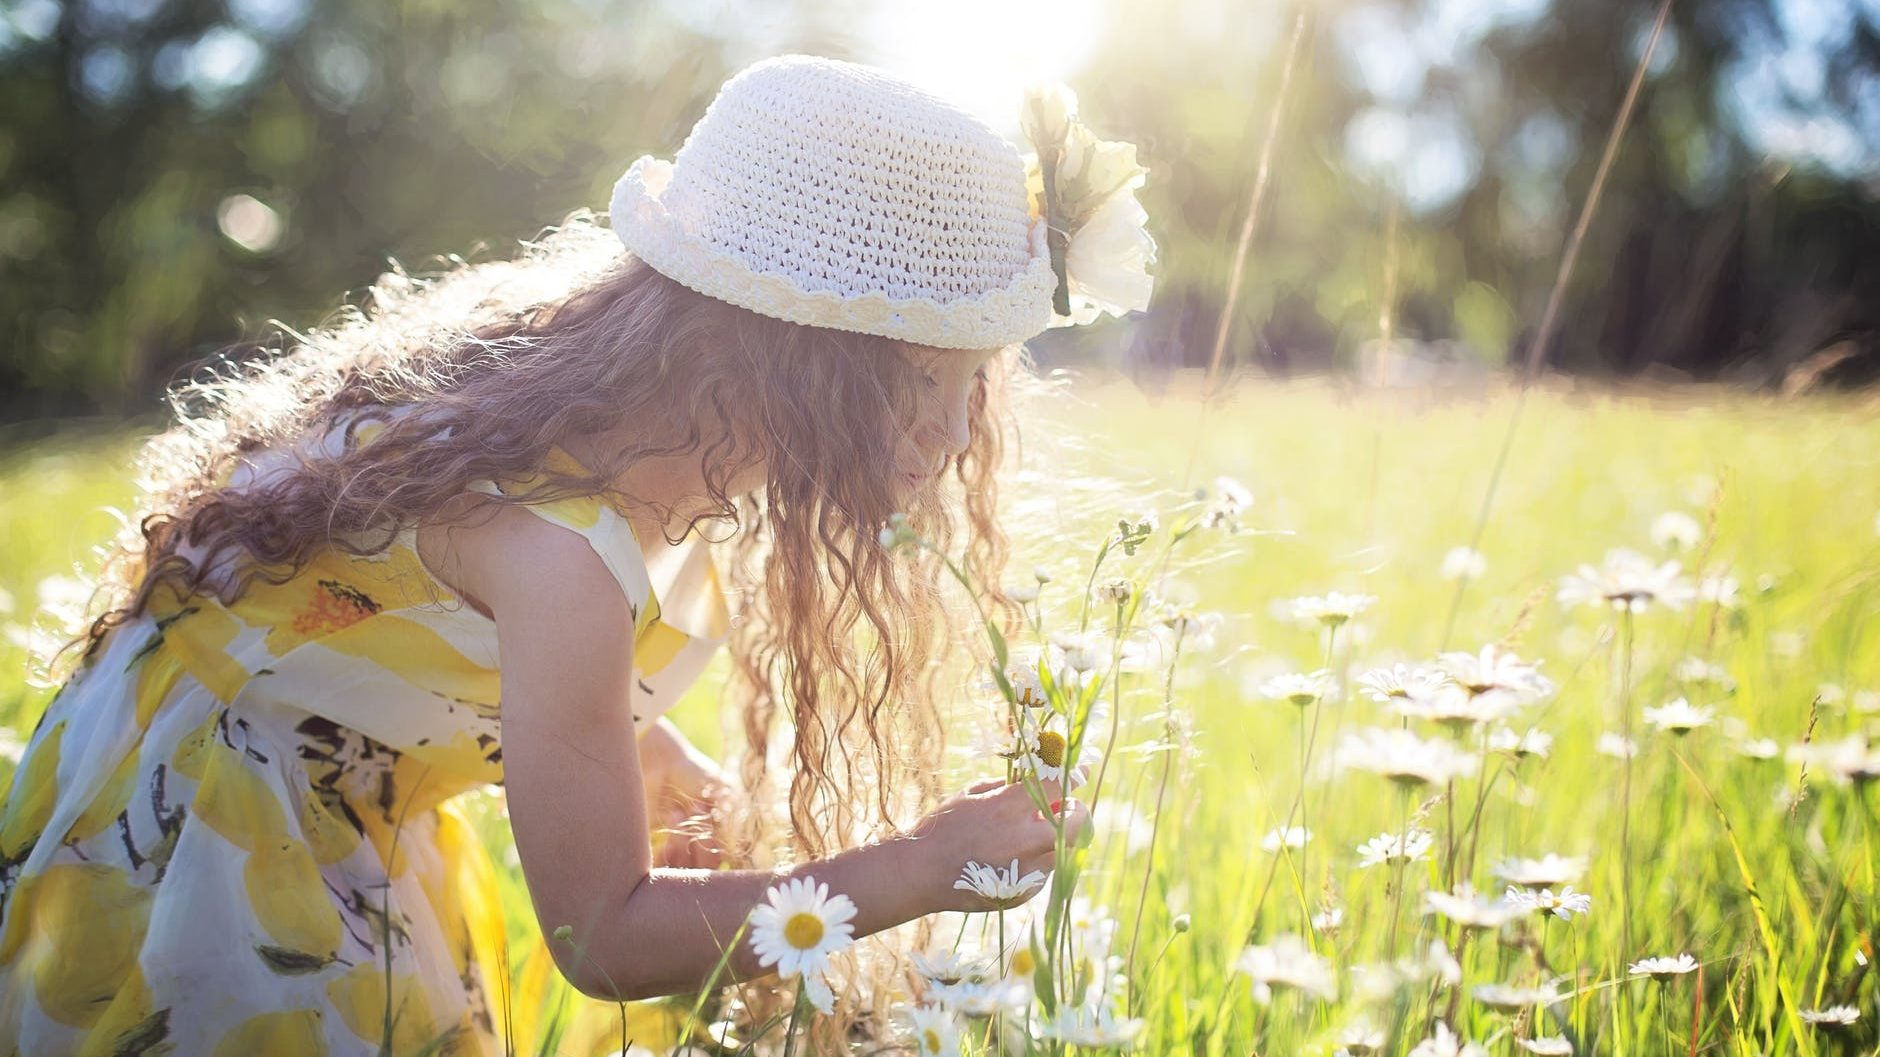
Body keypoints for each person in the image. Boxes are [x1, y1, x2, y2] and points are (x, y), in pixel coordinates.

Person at [0, 53, 1153, 1054]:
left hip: (326, 781)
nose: (955, 435)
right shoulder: (560, 547)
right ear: (782, 355)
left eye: (975, 379)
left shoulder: (627, 424)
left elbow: (409, 629)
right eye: (917, 379)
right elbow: (600, 934)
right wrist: (910, 867)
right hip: (211, 831)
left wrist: (655, 757)